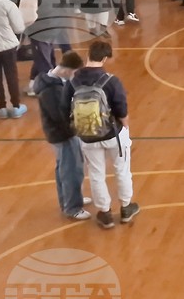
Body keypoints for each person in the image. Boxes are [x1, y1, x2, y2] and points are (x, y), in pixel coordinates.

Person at [67, 41, 139, 228]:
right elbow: (122, 110)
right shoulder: (111, 81)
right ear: (105, 58)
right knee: (122, 170)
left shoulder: (73, 81)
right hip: (113, 134)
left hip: (87, 136)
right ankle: (126, 208)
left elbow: (64, 108)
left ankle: (105, 213)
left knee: (96, 173)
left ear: (88, 54)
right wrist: (126, 128)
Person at [33, 50, 91, 220]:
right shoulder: (52, 90)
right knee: (71, 170)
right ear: (66, 70)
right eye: (74, 73)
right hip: (63, 134)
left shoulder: (52, 83)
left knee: (64, 168)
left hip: (59, 133)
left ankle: (69, 199)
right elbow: (60, 116)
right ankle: (72, 207)